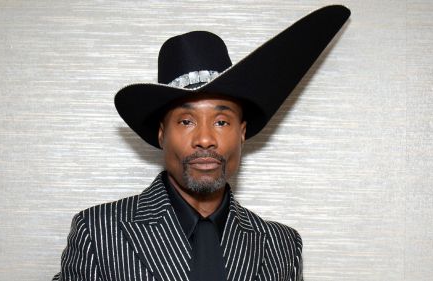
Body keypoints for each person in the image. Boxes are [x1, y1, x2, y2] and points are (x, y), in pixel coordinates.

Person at [53, 5, 349, 281]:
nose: (205, 139)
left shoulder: (282, 246)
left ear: (242, 132)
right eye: (186, 121)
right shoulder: (98, 232)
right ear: (162, 133)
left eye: (221, 122)